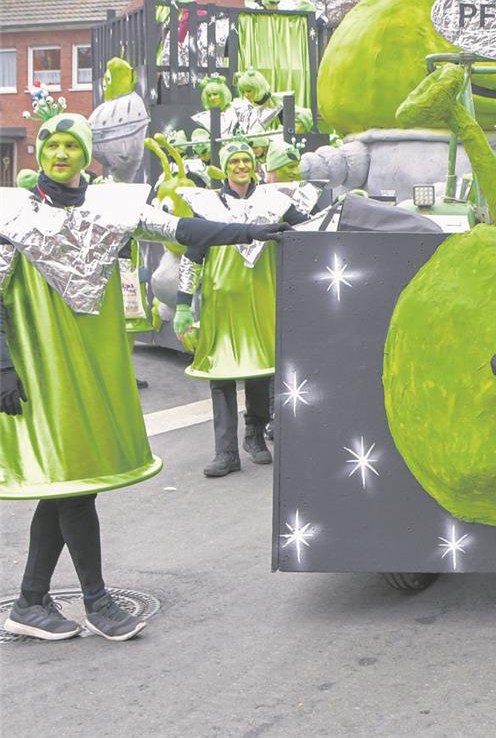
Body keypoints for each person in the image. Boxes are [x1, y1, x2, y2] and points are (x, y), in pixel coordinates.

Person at [0, 113, 287, 641]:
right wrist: (2, 368)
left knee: (67, 485)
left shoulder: (111, 206)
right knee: (76, 487)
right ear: (39, 152)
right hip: (39, 373)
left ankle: (29, 600)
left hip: (90, 370)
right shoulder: (11, 213)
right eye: (52, 145)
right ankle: (98, 602)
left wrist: (249, 230)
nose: (60, 154)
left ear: (86, 156)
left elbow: (178, 228)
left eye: (71, 146)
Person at [174, 140, 309, 477]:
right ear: (225, 165)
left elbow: (308, 230)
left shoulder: (274, 202)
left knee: (261, 371)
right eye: (233, 161)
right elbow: (192, 258)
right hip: (220, 304)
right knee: (220, 375)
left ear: (254, 165)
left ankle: (255, 436)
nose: (240, 166)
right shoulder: (207, 205)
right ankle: (226, 452)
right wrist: (182, 306)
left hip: (263, 300)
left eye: (245, 160)